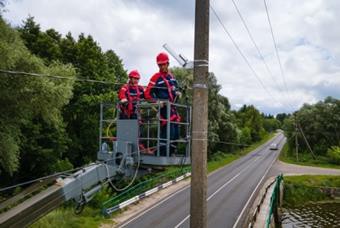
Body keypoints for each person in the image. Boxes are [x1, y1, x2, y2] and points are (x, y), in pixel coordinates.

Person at [145, 52, 181, 156]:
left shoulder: (172, 77)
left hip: (173, 109)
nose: (162, 66)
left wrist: (177, 93)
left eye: (163, 64)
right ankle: (162, 153)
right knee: (167, 133)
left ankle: (172, 152)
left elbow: (175, 89)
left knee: (176, 133)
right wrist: (156, 102)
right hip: (164, 109)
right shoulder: (155, 78)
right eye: (159, 65)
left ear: (168, 63)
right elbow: (147, 94)